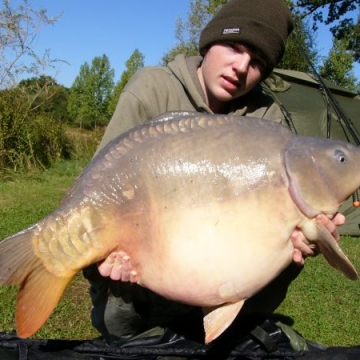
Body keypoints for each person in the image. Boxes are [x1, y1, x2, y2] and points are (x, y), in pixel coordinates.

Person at [83, 0, 344, 353]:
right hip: (142, 284)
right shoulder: (154, 89)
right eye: (235, 47)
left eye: (258, 62)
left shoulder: (267, 118)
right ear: (208, 43)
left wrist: (302, 236)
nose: (241, 67)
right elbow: (97, 191)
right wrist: (109, 247)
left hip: (230, 288)